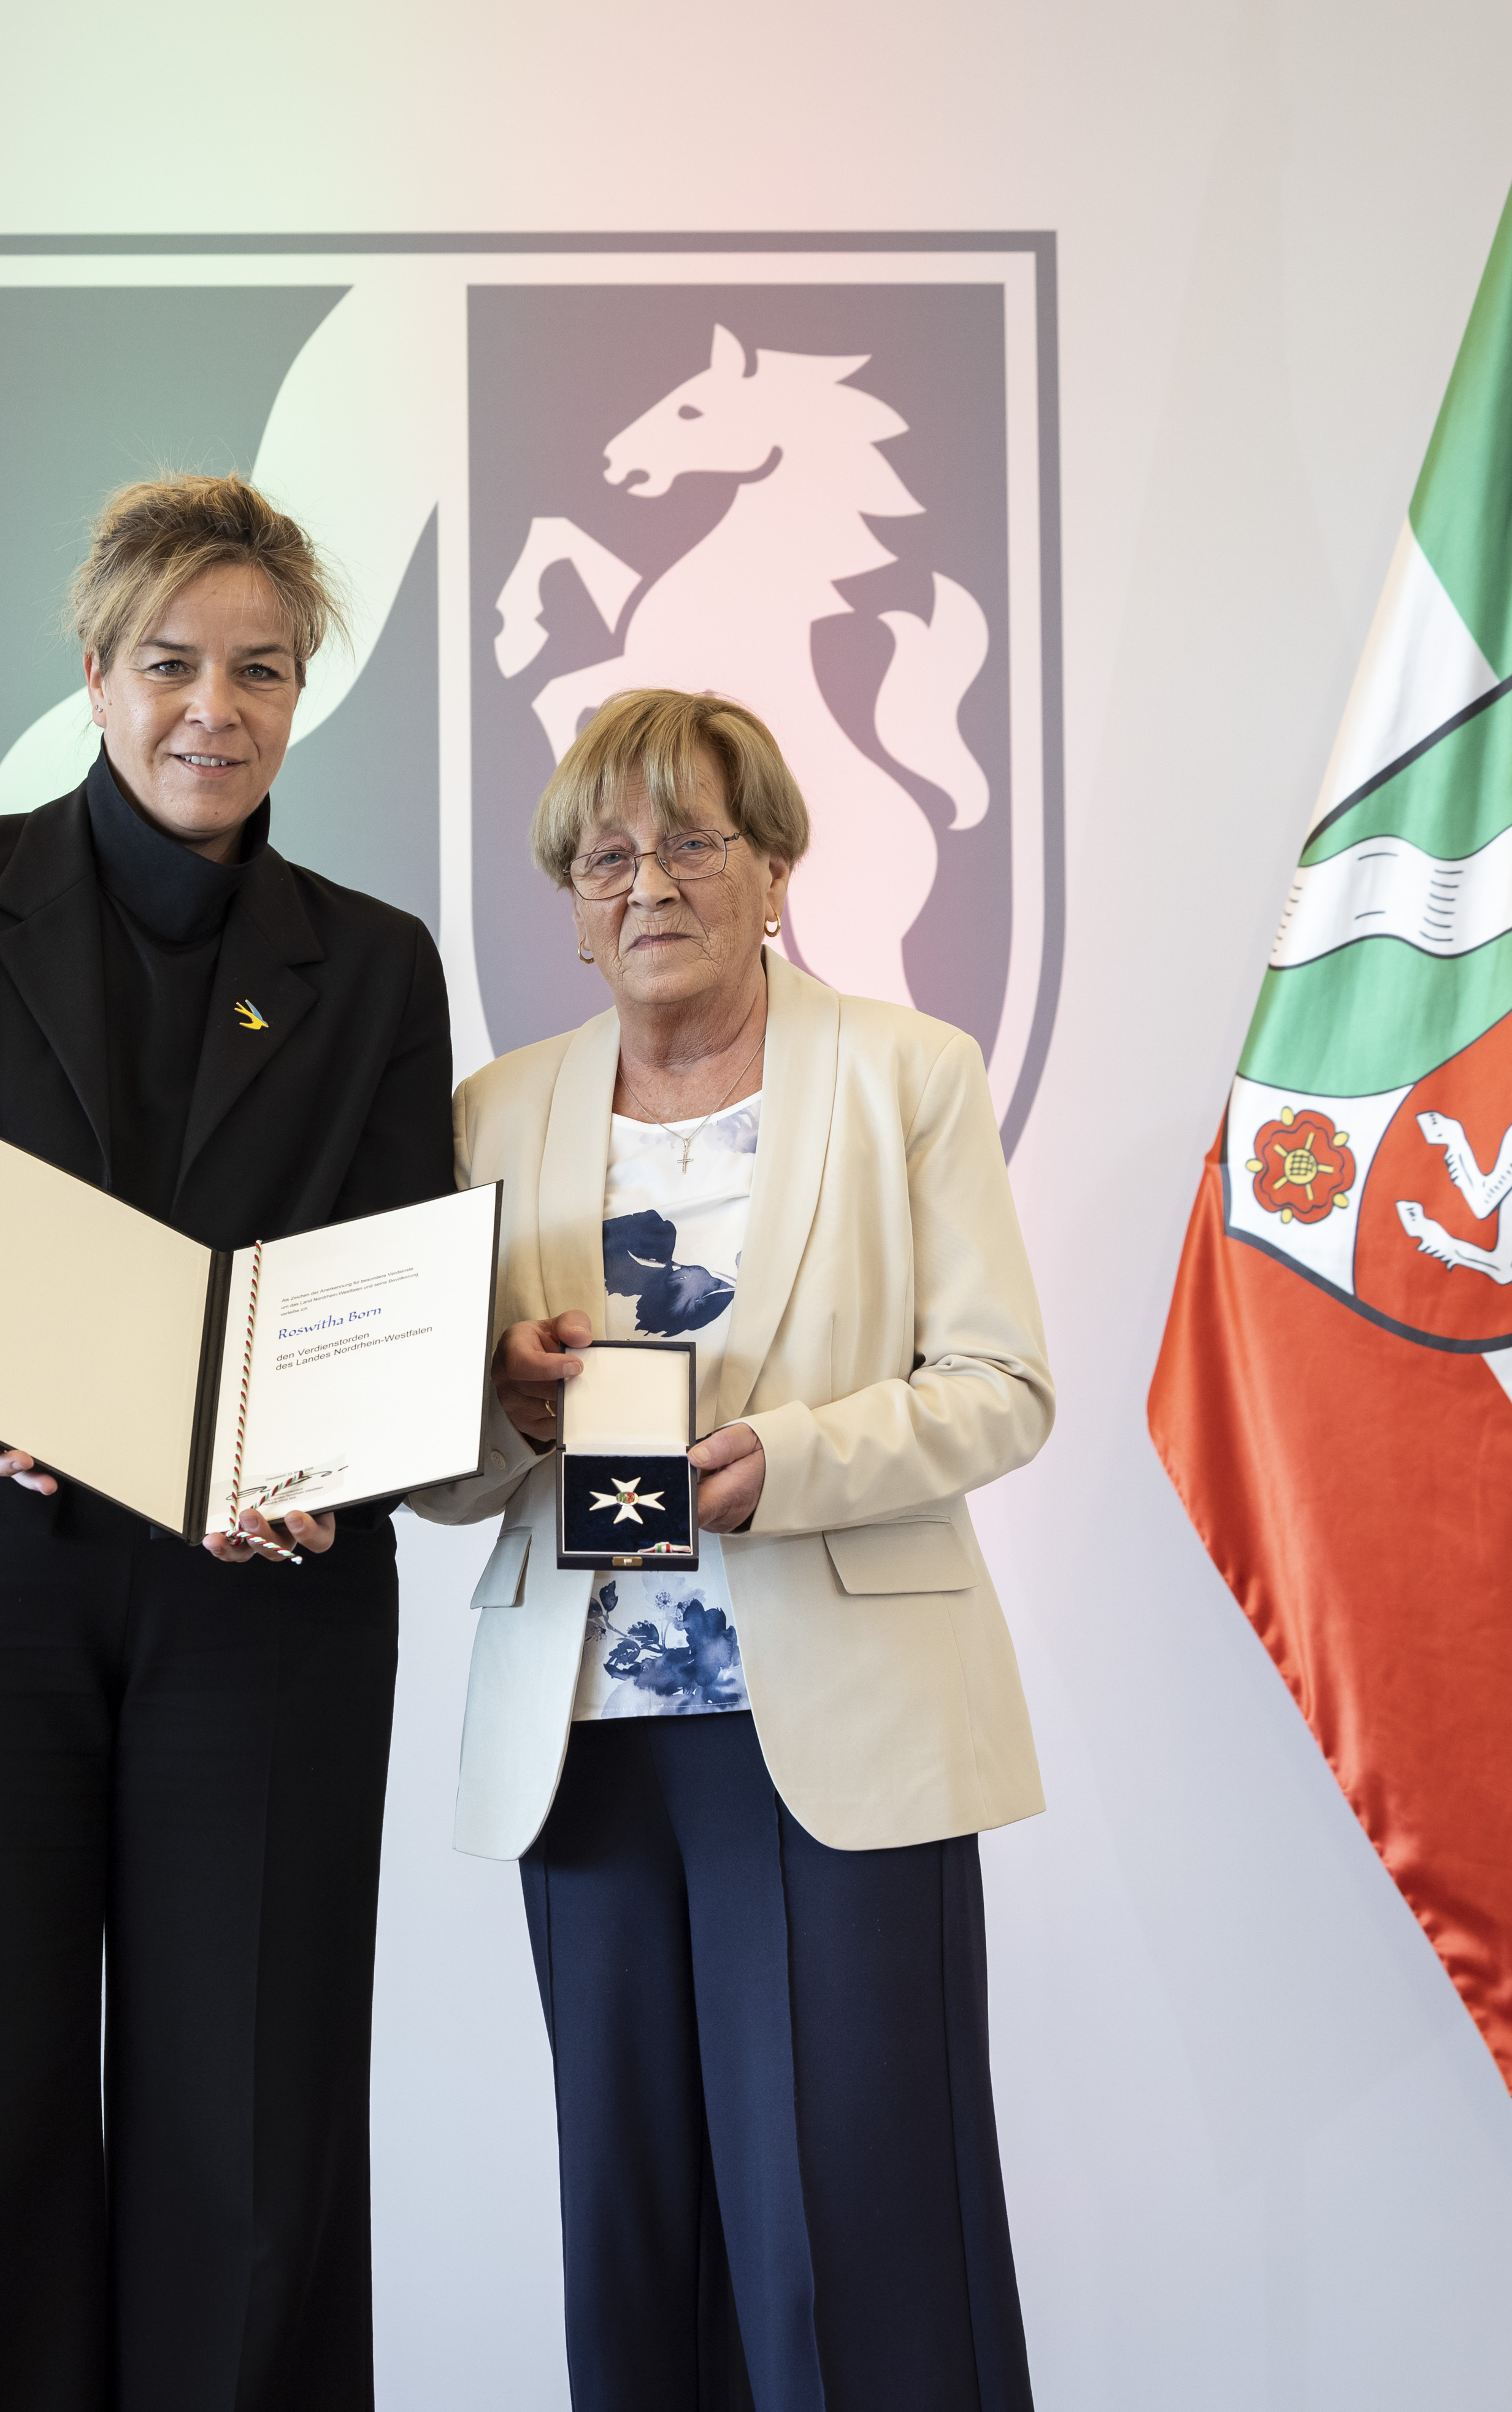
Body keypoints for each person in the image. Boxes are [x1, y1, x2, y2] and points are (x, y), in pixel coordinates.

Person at [0, 474, 454, 2412]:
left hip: (264, 1599)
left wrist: (330, 1461)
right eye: (170, 662)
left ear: (302, 692)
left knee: (255, 2140)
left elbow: (392, 1261)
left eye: (262, 669)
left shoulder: (375, 963)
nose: (212, 708)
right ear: (94, 672)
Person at [410, 688, 1056, 2412]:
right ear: (571, 900)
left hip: (836, 1732)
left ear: (774, 868)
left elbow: (1002, 1390)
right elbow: (440, 1477)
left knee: (858, 2243)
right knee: (636, 2247)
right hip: (585, 1744)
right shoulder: (493, 1113)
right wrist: (501, 1403)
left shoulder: (908, 1074)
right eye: (605, 855)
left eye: (692, 840)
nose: (648, 884)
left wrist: (793, 1463)